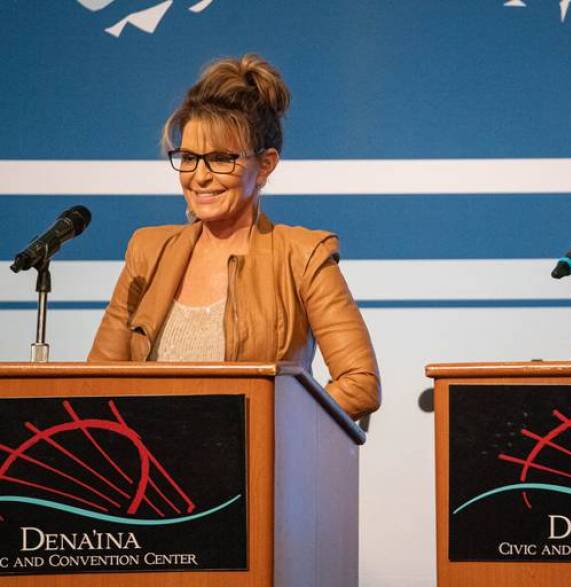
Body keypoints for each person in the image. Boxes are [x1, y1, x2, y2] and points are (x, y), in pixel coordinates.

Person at [89, 54, 380, 419]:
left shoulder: (303, 256)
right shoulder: (148, 251)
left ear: (265, 165)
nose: (200, 175)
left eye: (221, 159)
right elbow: (95, 385)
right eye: (189, 157)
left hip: (255, 469)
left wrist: (270, 429)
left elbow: (359, 382)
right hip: (150, 470)